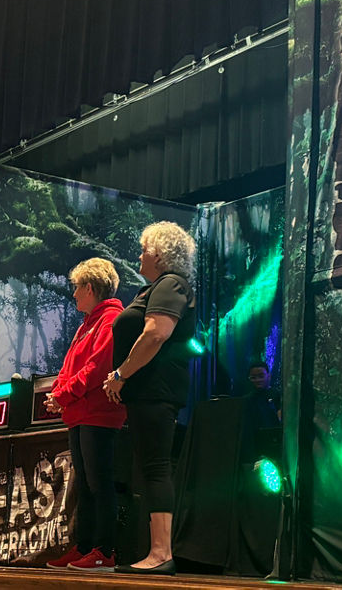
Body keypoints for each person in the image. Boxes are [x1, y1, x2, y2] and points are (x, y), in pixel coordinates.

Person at [103, 221, 197, 576]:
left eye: (144, 249)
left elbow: (156, 333)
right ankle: (157, 551)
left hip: (157, 391)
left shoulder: (171, 284)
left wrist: (120, 374)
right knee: (149, 467)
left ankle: (161, 553)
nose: (140, 255)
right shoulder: (154, 288)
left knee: (156, 467)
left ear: (160, 254)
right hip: (146, 394)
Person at [45, 258, 126, 572]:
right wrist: (58, 394)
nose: (74, 294)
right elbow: (70, 367)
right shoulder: (88, 323)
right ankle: (83, 548)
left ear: (90, 287)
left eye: (77, 287)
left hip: (100, 414)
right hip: (80, 414)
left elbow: (97, 369)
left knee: (99, 484)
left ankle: (104, 551)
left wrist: (62, 395)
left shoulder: (111, 320)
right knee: (85, 485)